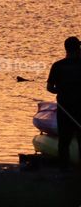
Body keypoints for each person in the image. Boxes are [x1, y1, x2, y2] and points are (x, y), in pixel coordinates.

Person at [46, 36, 81, 169]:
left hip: (64, 108)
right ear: (78, 49)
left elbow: (49, 88)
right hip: (80, 108)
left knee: (64, 140)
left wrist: (59, 91)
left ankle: (64, 168)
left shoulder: (57, 66)